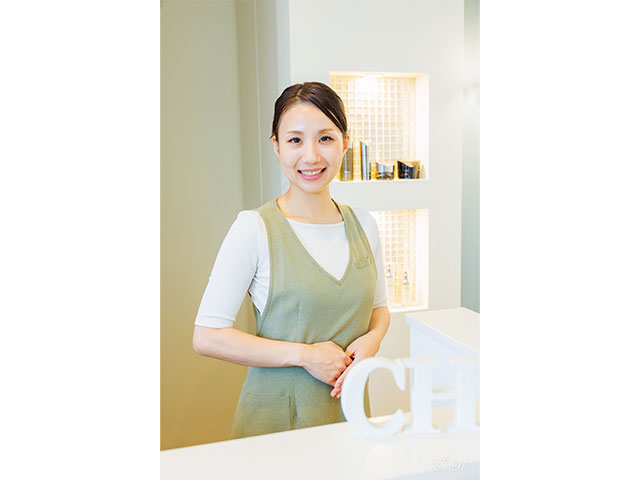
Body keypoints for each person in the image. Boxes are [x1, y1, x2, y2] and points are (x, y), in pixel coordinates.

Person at [192, 81, 390, 439]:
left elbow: (379, 307)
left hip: (351, 419)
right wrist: (305, 355)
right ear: (277, 146)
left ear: (345, 142)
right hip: (276, 427)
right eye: (295, 140)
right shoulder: (253, 228)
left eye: (325, 138)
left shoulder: (365, 225)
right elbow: (207, 337)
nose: (311, 156)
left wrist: (374, 338)